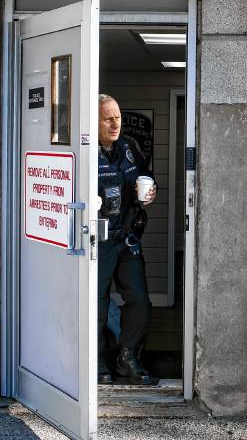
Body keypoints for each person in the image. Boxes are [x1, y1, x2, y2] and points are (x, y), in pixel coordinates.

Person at [97, 93, 156, 385]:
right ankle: (95, 361)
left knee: (140, 301)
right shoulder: (84, 151)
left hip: (127, 237)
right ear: (94, 120)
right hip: (97, 239)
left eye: (117, 117)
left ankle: (127, 358)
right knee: (96, 302)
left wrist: (150, 189)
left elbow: (145, 176)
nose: (114, 123)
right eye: (107, 118)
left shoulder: (129, 147)